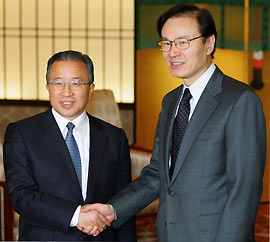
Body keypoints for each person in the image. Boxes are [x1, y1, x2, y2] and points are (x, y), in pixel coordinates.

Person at [79, 4, 266, 242]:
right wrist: (114, 209)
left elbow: (244, 189)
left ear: (209, 43)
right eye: (166, 43)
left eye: (182, 42)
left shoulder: (239, 100)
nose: (172, 52)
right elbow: (158, 173)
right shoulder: (171, 101)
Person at [3, 50, 137, 241]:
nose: (67, 92)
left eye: (76, 83)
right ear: (48, 87)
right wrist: (77, 216)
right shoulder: (22, 134)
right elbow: (21, 196)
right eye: (58, 83)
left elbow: (123, 202)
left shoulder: (114, 137)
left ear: (91, 89)